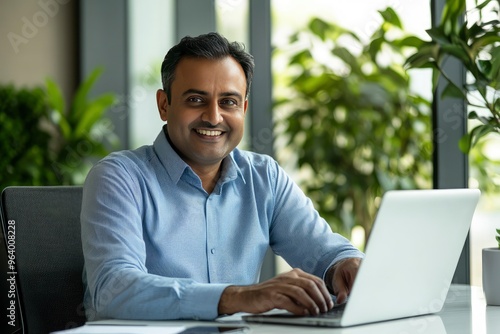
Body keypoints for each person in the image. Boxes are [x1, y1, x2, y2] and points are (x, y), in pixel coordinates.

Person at [81, 32, 364, 321]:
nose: (213, 117)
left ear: (243, 108)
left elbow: (325, 250)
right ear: (164, 105)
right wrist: (237, 297)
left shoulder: (264, 177)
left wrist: (346, 264)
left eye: (228, 102)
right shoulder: (119, 177)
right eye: (195, 99)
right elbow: (113, 289)